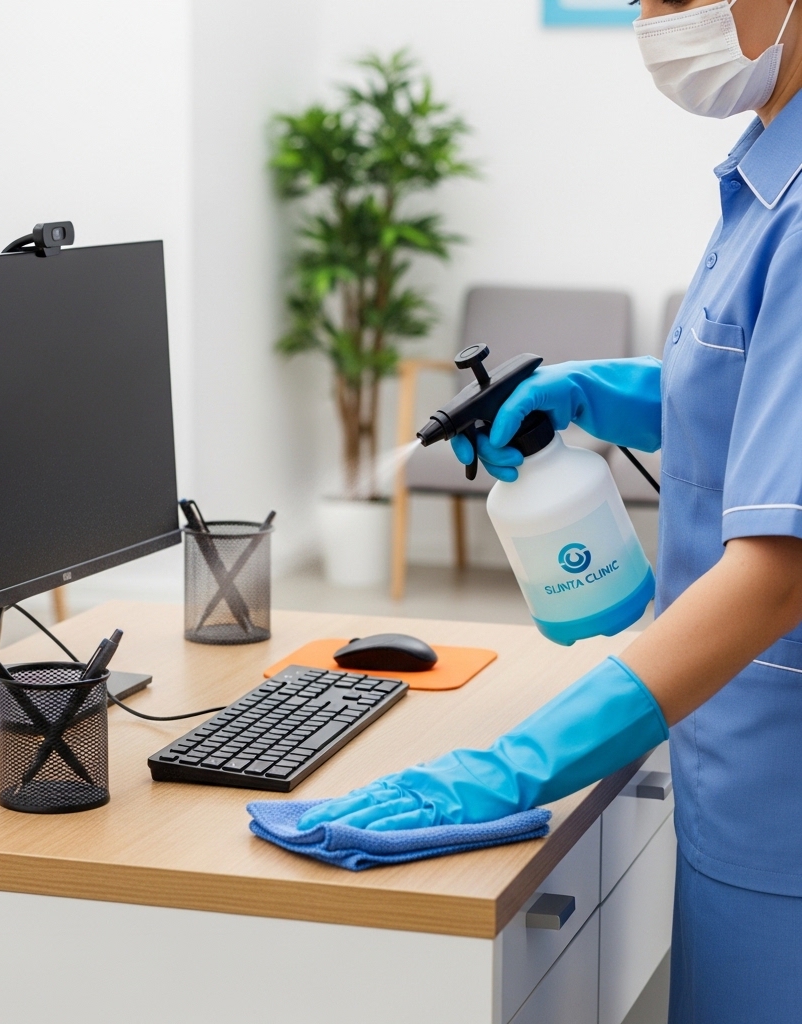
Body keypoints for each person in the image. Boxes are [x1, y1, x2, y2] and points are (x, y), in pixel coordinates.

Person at [298, 1, 802, 1018]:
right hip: (733, 770)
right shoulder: (764, 178)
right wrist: (597, 391)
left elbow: (776, 567)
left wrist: (512, 766)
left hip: (780, 809)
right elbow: (754, 402)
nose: (656, 19)